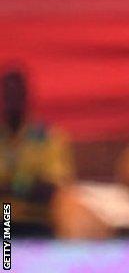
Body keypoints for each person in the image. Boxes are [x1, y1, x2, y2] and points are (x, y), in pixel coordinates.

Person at [0, 65, 75, 236]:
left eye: (16, 95)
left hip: (36, 219)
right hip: (4, 216)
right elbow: (37, 187)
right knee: (7, 252)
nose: (12, 102)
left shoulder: (48, 137)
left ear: (27, 97)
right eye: (7, 96)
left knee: (20, 253)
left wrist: (11, 187)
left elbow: (51, 188)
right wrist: (27, 185)